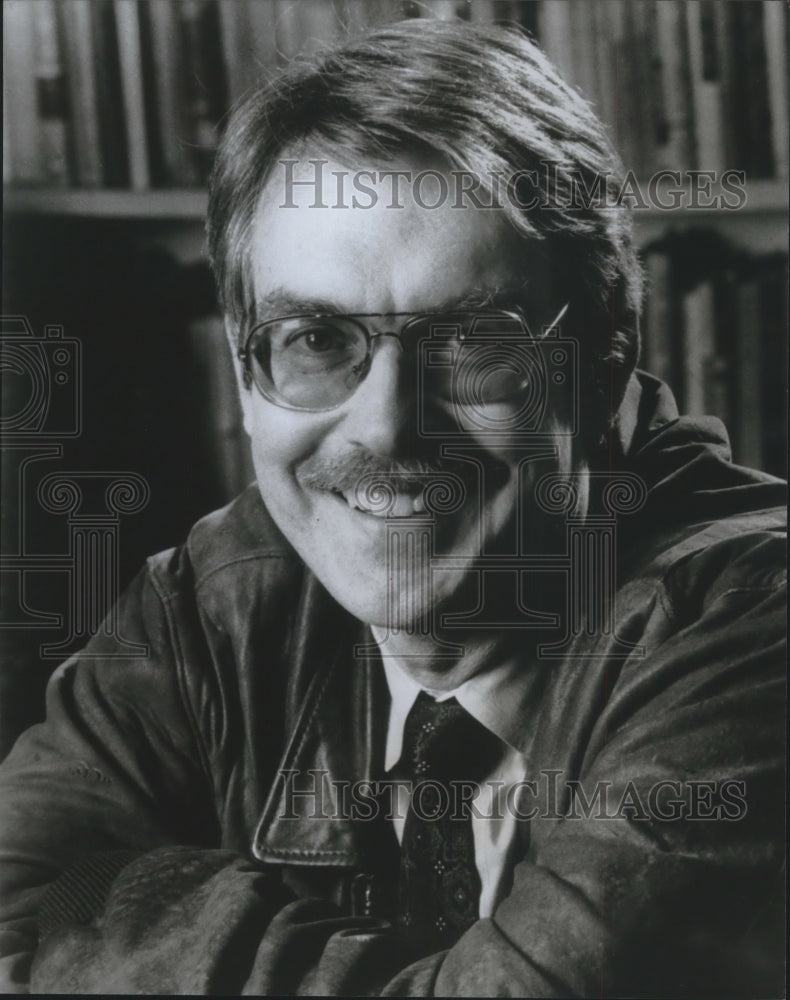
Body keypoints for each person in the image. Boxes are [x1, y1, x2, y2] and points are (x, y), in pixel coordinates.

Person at [0, 19, 785, 997]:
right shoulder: (211, 602)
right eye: (318, 338)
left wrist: (138, 924)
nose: (386, 430)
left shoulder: (758, 619)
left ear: (605, 363)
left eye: (470, 341)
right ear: (244, 382)